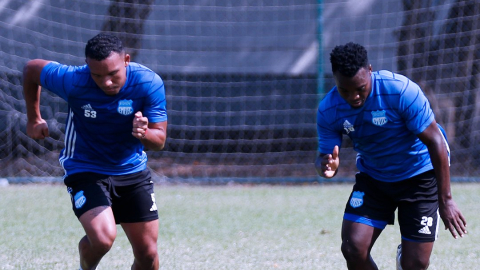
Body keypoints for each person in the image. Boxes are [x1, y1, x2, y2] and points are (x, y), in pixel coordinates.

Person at [315, 42, 467, 270]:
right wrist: (326, 166)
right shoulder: (329, 109)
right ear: (335, 79)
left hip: (420, 177)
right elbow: (324, 159)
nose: (353, 96)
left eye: (360, 88)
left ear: (370, 70)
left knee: (414, 264)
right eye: (344, 90)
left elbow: (436, 142)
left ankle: (405, 256)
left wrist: (445, 200)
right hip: (375, 178)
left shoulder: (400, 91)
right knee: (353, 248)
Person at [23, 33, 167, 270]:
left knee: (148, 254)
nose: (106, 82)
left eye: (113, 74)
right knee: (102, 240)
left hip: (131, 171)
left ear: (126, 60)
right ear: (87, 67)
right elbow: (32, 70)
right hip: (85, 168)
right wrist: (34, 119)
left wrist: (144, 134)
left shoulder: (148, 83)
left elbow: (159, 141)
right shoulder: (74, 79)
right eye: (97, 75)